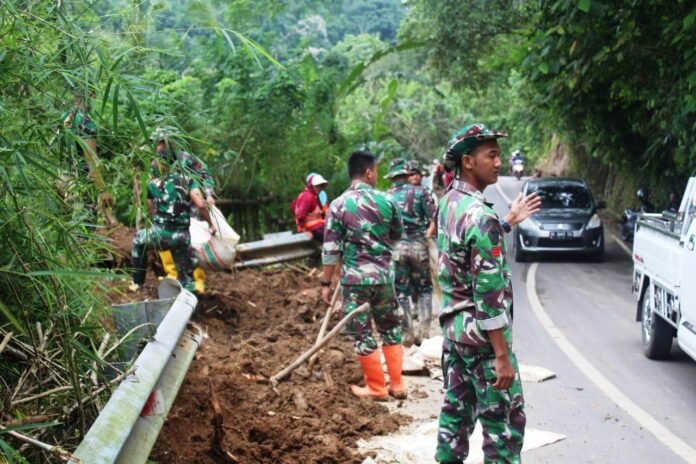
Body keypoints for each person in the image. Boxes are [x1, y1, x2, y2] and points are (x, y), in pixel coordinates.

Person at [435, 123, 541, 464]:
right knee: (503, 431)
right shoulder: (481, 216)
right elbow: (489, 295)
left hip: (455, 336)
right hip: (483, 344)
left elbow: (464, 254)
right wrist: (501, 355)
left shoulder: (449, 203)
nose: (498, 162)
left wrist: (505, 222)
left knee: (455, 419)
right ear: (468, 161)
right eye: (491, 155)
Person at [321, 150, 406, 401]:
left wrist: (326, 283)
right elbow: (396, 235)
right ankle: (398, 385)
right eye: (376, 170)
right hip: (384, 277)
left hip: (355, 280)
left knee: (362, 332)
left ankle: (377, 388)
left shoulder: (337, 205)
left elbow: (330, 250)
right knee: (390, 327)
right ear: (368, 172)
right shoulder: (388, 201)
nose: (377, 175)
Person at [130, 147, 217, 293]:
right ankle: (190, 307)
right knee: (187, 278)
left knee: (139, 241)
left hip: (159, 235)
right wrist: (211, 224)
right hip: (182, 238)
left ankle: (137, 284)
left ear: (162, 163)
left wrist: (157, 219)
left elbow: (149, 203)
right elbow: (201, 205)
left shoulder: (153, 182)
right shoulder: (188, 181)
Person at [150, 128, 216, 293]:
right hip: (167, 211)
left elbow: (205, 174)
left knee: (194, 243)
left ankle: (197, 282)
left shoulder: (186, 159)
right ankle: (172, 277)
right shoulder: (155, 162)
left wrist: (208, 194)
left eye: (160, 143)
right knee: (166, 243)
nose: (158, 147)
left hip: (191, 207)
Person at [388, 158, 437, 345]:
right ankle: (423, 333)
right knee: (424, 289)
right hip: (418, 246)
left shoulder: (387, 197)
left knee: (401, 291)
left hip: (397, 249)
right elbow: (435, 217)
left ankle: (407, 333)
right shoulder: (421, 193)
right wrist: (427, 235)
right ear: (407, 175)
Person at [292, 173, 329, 242]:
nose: (319, 188)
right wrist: (304, 231)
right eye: (317, 186)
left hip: (318, 225)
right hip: (313, 227)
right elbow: (300, 215)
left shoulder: (315, 196)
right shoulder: (308, 196)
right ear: (311, 186)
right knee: (334, 235)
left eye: (320, 186)